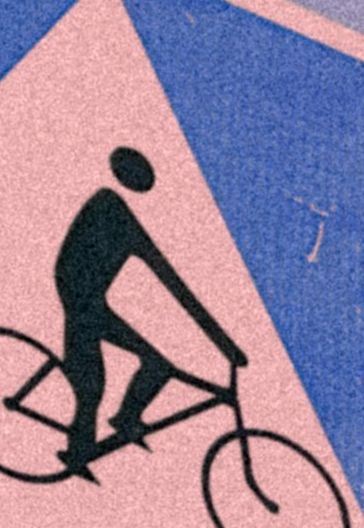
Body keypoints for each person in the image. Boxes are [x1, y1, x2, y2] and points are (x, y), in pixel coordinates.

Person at [50, 147, 245, 478]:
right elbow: (69, 268)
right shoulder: (108, 205)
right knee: (91, 386)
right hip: (80, 303)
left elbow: (173, 284)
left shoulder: (127, 222)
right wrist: (225, 345)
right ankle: (78, 450)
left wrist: (225, 345)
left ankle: (124, 419)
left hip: (93, 304)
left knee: (158, 365)